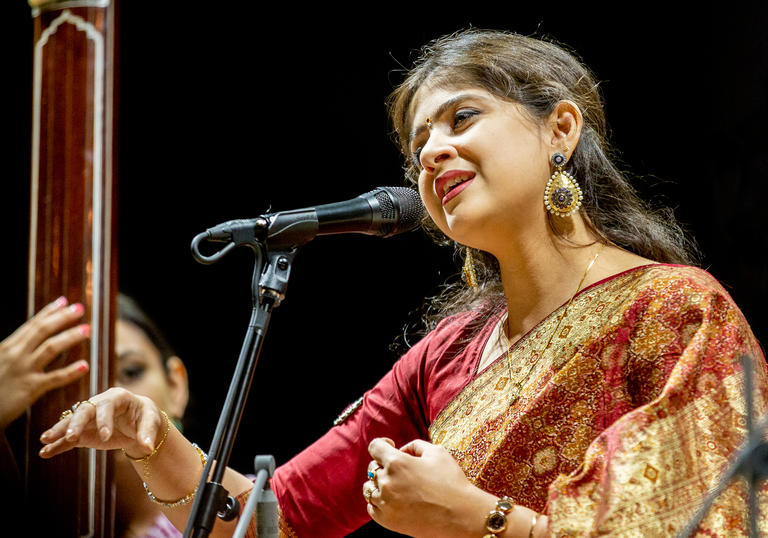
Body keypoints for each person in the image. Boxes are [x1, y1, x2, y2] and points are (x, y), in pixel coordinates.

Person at [38, 29, 768, 537]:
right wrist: (156, 442)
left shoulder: (675, 311)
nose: (433, 151)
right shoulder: (449, 354)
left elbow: (716, 525)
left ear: (561, 130)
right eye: (418, 144)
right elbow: (279, 518)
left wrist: (481, 521)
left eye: (463, 116)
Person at [0, 294, 191, 537]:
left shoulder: (244, 506)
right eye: (81, 385)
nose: (109, 397)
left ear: (176, 385)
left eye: (130, 372)